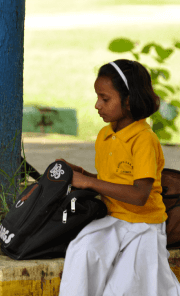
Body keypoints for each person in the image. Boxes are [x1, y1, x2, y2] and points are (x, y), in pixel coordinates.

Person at [58, 59, 180, 296]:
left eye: (105, 99)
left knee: (126, 287)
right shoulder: (105, 135)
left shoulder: (144, 139)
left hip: (143, 225)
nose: (97, 105)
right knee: (82, 253)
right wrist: (81, 174)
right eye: (97, 97)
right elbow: (111, 181)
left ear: (128, 101)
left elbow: (139, 195)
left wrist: (90, 182)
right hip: (111, 219)